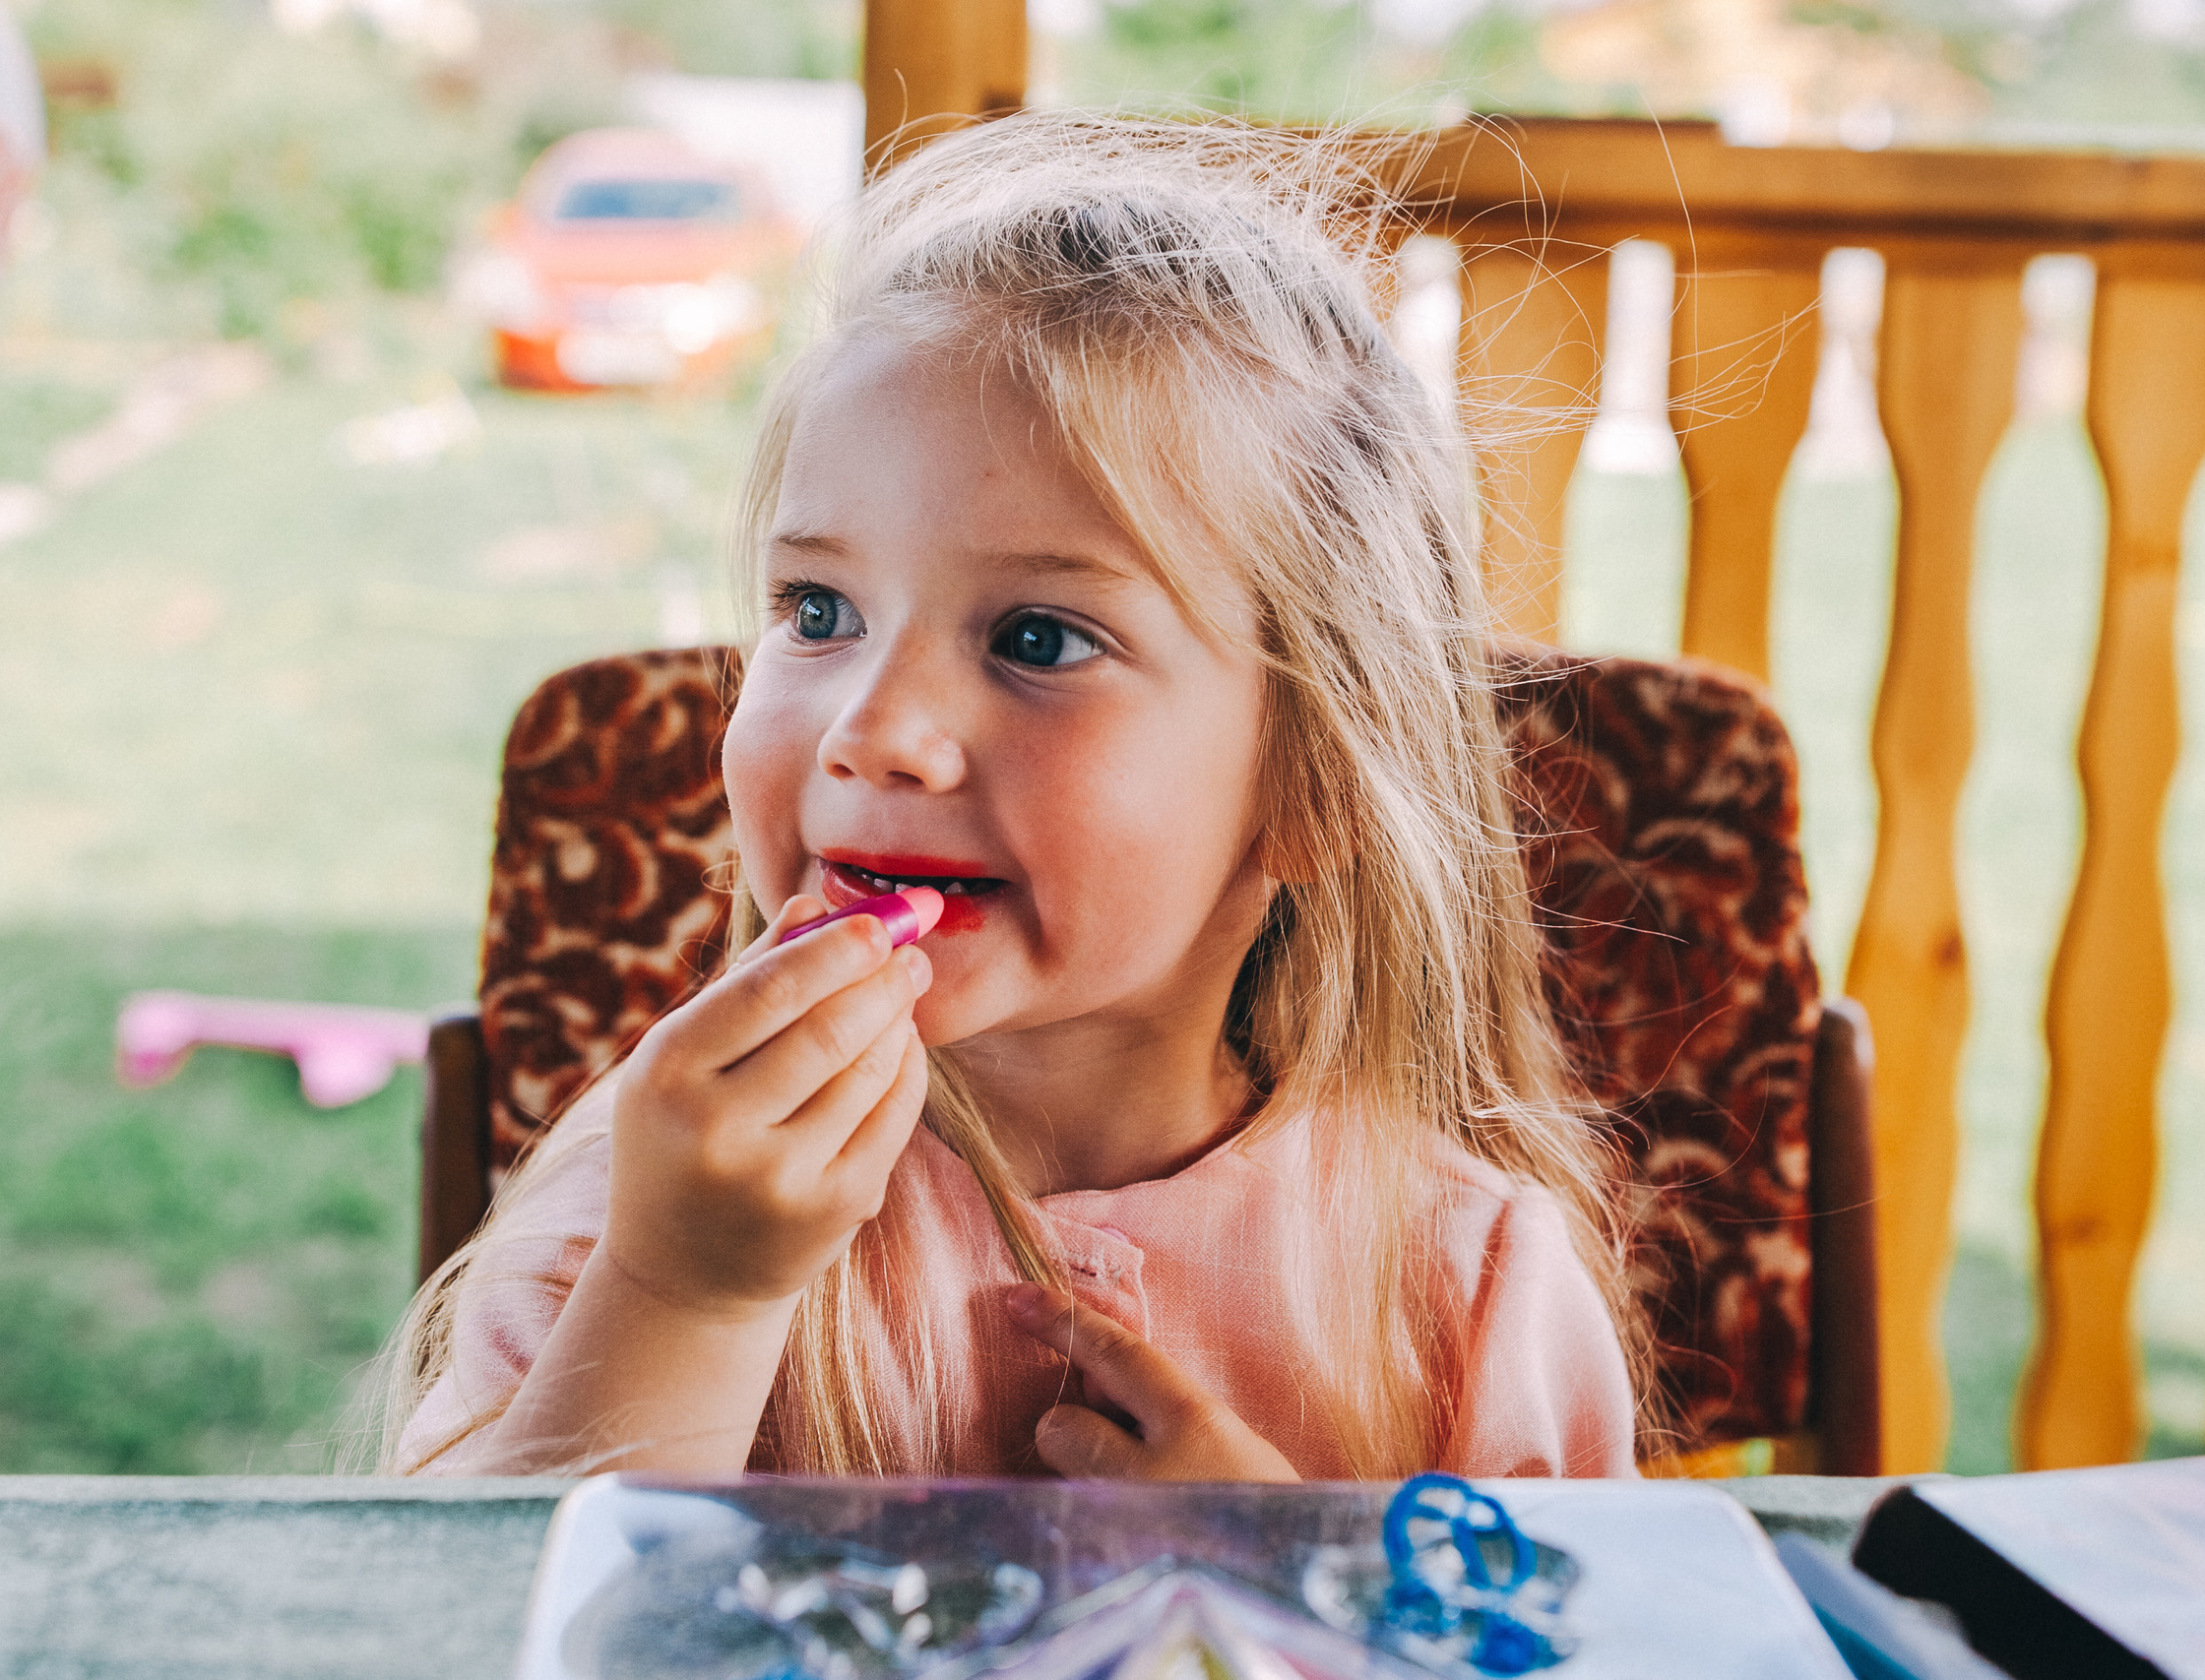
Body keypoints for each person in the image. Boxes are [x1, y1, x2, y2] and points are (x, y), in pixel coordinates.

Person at [380, 115, 1644, 1481]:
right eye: (819, 610)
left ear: (1318, 782)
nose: (876, 735)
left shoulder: (1469, 1291)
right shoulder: (664, 1200)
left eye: (1038, 639)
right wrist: (685, 1301)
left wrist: (1294, 1589)